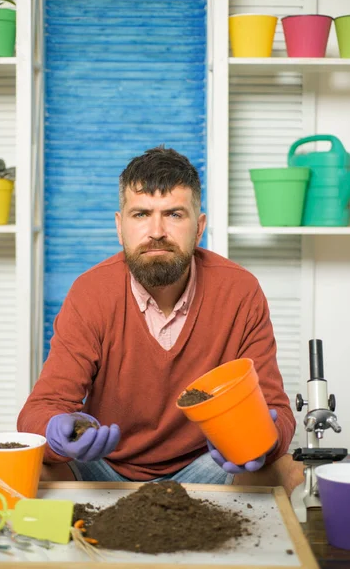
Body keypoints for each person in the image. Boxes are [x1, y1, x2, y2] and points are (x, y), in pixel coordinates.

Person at [17, 145, 296, 484]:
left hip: (208, 467)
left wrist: (263, 442)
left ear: (199, 227)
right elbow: (41, 407)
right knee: (37, 470)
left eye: (174, 214)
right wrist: (56, 433)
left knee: (283, 471)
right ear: (120, 227)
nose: (157, 231)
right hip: (104, 466)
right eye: (141, 214)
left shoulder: (240, 291)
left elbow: (276, 409)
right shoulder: (91, 293)